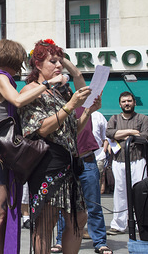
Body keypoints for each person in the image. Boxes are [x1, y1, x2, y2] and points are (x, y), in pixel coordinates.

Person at [0, 38, 65, 254]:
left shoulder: (1, 79)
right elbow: (18, 101)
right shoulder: (0, 78)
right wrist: (46, 84)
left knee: (1, 216)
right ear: (13, 58)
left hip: (3, 157)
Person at [18, 39, 101, 254]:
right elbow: (42, 129)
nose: (58, 66)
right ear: (37, 64)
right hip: (48, 164)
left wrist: (88, 111)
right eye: (53, 61)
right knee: (47, 221)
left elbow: (72, 130)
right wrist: (71, 105)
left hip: (69, 164)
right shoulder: (31, 90)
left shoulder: (59, 91)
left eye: (60, 62)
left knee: (78, 217)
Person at [51, 107, 112, 254]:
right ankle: (60, 240)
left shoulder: (92, 112)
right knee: (63, 206)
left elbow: (105, 137)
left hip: (87, 161)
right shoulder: (58, 112)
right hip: (66, 163)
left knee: (94, 204)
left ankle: (99, 241)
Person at [105, 91, 148, 235]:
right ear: (120, 104)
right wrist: (132, 132)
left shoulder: (143, 118)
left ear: (134, 102)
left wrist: (121, 134)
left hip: (138, 161)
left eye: (129, 101)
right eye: (124, 101)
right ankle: (119, 224)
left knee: (140, 192)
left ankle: (140, 223)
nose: (127, 103)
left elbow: (145, 136)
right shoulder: (114, 118)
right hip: (119, 161)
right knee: (120, 192)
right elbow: (109, 133)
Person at [90, 111, 110, 194]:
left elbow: (106, 135)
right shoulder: (76, 112)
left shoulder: (98, 115)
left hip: (98, 156)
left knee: (96, 184)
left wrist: (104, 148)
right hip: (81, 156)